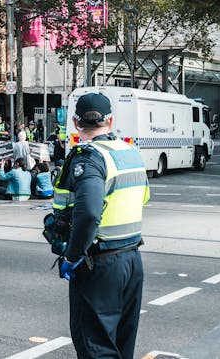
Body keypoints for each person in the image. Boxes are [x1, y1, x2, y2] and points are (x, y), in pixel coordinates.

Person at [53, 92, 149, 359]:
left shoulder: (89, 157)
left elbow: (88, 213)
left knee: (96, 346)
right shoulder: (130, 152)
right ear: (110, 120)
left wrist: (72, 256)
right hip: (131, 258)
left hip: (99, 263)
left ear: (75, 122)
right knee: (121, 344)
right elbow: (144, 198)